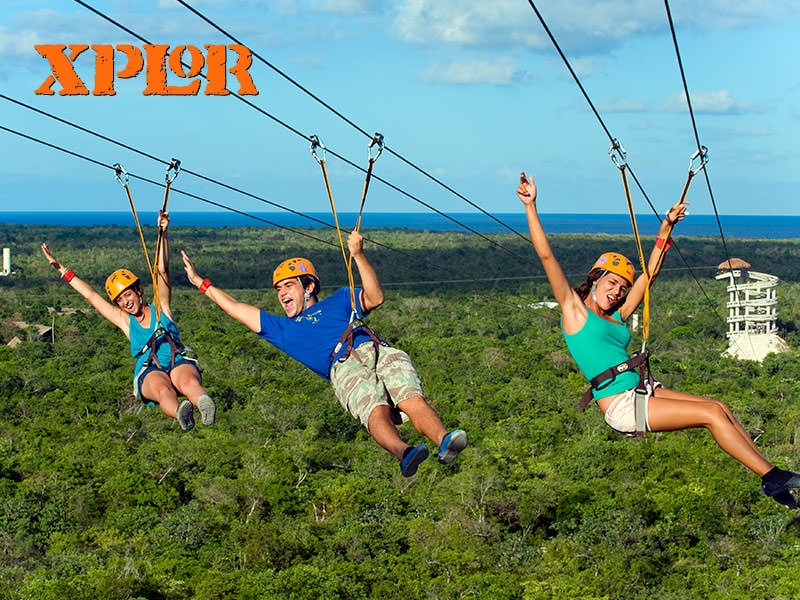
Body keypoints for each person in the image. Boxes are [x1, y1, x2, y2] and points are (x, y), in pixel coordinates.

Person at [516, 170, 800, 509]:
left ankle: (772, 475)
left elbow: (650, 274)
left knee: (720, 407)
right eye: (611, 284)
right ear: (594, 280)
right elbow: (547, 257)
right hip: (623, 405)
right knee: (711, 413)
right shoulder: (575, 312)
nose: (617, 292)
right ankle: (771, 477)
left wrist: (667, 227)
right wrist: (531, 206)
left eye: (622, 288)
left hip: (640, 391)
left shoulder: (617, 316)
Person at [180, 230, 467, 476]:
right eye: (278, 289)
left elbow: (376, 297)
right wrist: (201, 284)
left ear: (309, 287)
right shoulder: (282, 329)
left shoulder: (341, 298)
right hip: (343, 365)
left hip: (378, 348)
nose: (281, 294)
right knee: (373, 408)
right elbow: (236, 308)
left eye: (288, 286)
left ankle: (443, 439)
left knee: (410, 398)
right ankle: (404, 453)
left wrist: (358, 255)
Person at [41, 211, 215, 432]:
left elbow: (162, 271)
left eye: (128, 294)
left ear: (138, 291)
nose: (125, 301)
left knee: (188, 382)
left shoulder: (161, 307)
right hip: (151, 369)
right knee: (164, 392)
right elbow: (91, 296)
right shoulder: (125, 321)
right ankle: (182, 412)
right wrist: (62, 269)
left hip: (177, 360)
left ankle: (203, 403)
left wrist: (163, 234)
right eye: (120, 299)